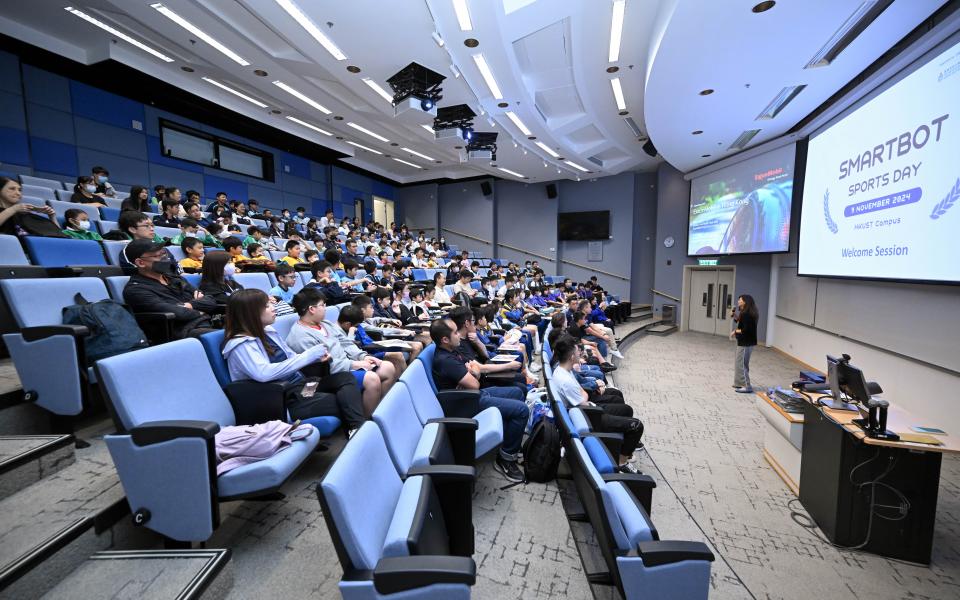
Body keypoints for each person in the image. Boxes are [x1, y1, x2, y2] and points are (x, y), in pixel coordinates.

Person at [221, 289, 365, 433]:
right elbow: (263, 373)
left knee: (345, 379)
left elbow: (291, 356)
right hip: (282, 400)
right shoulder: (240, 344)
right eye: (266, 306)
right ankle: (357, 430)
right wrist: (308, 356)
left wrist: (315, 358)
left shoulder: (267, 331)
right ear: (250, 312)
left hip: (301, 387)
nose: (273, 308)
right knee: (342, 401)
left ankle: (356, 429)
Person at [430, 318, 528, 482]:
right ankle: (506, 458)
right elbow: (474, 383)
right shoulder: (446, 361)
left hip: (472, 395)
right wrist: (474, 373)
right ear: (445, 339)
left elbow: (474, 370)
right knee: (522, 410)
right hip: (464, 403)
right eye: (455, 332)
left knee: (518, 392)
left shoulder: (453, 350)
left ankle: (509, 440)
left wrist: (473, 372)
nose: (459, 335)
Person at [287, 289, 396, 417]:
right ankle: (367, 422)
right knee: (371, 379)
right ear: (311, 309)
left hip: (347, 365)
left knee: (387, 367)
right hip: (329, 375)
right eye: (322, 305)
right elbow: (323, 366)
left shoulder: (326, 324)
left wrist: (364, 356)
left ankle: (378, 411)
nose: (325, 308)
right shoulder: (299, 336)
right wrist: (355, 364)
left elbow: (346, 343)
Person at [551, 335, 643, 472]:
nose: (580, 353)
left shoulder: (563, 370)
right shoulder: (565, 380)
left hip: (587, 409)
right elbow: (583, 399)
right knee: (636, 426)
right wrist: (586, 394)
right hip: (589, 417)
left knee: (626, 410)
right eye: (577, 351)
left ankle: (624, 449)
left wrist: (585, 393)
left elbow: (583, 393)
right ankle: (622, 463)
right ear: (571, 357)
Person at [122, 239, 218, 339]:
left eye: (163, 253)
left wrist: (190, 305)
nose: (164, 258)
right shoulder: (135, 290)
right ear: (141, 262)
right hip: (185, 333)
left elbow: (210, 300)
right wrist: (200, 309)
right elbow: (179, 314)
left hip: (208, 322)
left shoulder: (174, 278)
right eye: (157, 256)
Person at [730, 294, 759, 393]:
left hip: (746, 342)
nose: (738, 301)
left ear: (745, 302)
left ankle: (747, 386)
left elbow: (745, 329)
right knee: (739, 363)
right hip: (745, 342)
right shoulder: (746, 312)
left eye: (740, 300)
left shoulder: (747, 314)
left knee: (742, 364)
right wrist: (734, 315)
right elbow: (740, 321)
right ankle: (739, 383)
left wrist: (735, 331)